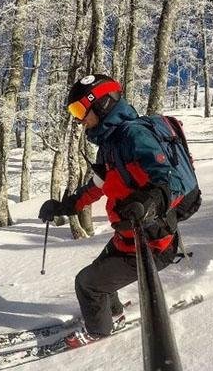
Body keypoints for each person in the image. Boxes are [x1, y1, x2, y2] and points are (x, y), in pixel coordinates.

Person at [38, 74, 184, 348]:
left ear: (103, 104)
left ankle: (98, 332)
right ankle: (113, 313)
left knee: (87, 284)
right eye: (74, 112)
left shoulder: (133, 135)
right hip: (128, 237)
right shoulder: (111, 145)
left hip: (151, 242)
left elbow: (168, 180)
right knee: (98, 273)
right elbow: (97, 186)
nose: (78, 119)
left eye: (80, 110)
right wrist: (64, 206)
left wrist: (149, 202)